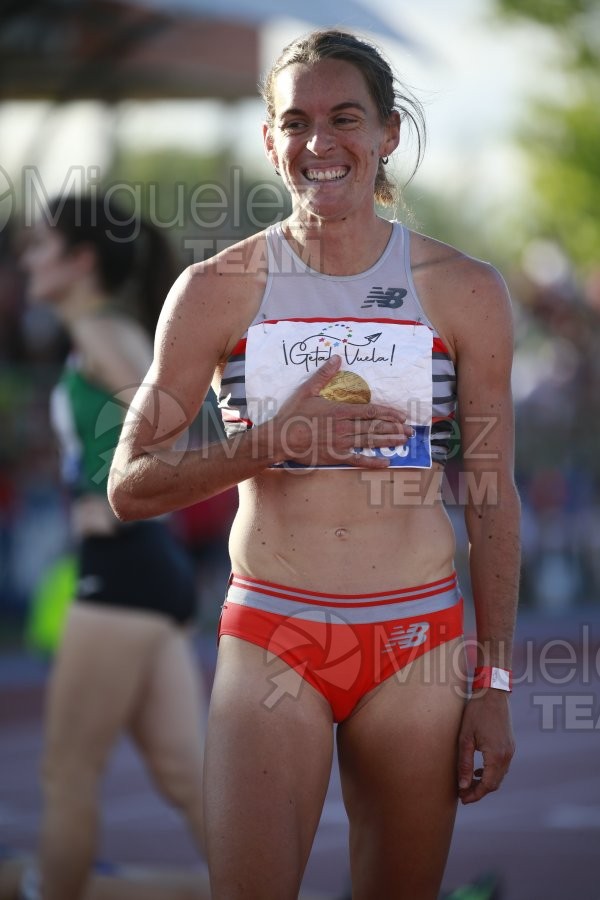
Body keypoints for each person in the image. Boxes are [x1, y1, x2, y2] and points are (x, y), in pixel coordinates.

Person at [108, 29, 521, 900]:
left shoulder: (465, 289)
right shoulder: (215, 289)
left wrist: (494, 683)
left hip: (418, 643)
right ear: (270, 140)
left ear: (386, 135)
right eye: (295, 122)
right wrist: (268, 444)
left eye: (344, 118)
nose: (319, 143)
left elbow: (490, 497)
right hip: (274, 635)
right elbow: (128, 483)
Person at [19, 195, 211, 900]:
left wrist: (110, 504)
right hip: (147, 573)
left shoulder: (102, 331)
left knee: (66, 777)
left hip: (122, 569)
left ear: (80, 259)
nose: (26, 259)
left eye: (40, 247)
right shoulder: (89, 334)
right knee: (186, 778)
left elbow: (175, 425)